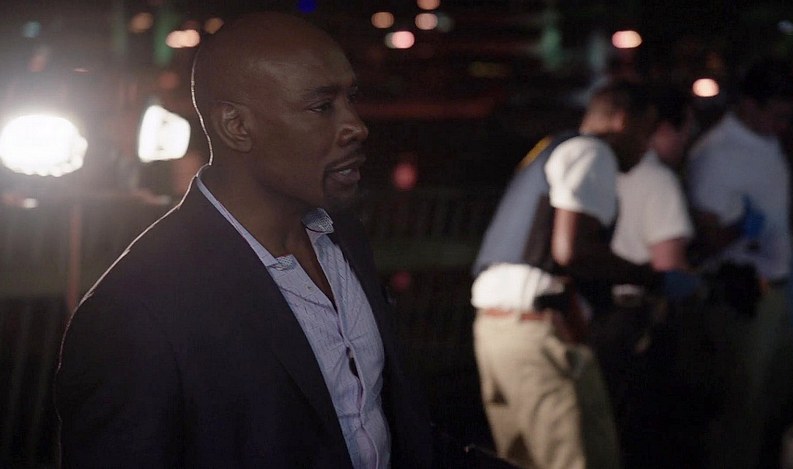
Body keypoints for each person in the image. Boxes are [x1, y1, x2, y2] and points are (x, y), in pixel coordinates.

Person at [54, 12, 434, 468]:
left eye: (350, 99)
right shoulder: (136, 310)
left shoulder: (344, 237)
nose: (356, 126)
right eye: (322, 106)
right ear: (236, 126)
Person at [471, 80, 700, 469]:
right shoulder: (593, 151)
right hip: (536, 333)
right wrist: (653, 278)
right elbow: (571, 250)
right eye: (645, 133)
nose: (646, 147)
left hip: (495, 330)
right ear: (623, 120)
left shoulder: (551, 148)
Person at [687, 57, 793, 469]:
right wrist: (743, 228)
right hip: (742, 296)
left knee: (779, 399)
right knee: (740, 406)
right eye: (777, 115)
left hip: (777, 287)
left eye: (788, 117)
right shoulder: (717, 154)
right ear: (750, 105)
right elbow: (707, 239)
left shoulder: (765, 138)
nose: (783, 126)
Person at [607, 86, 697, 468]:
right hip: (638, 323)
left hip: (596, 314)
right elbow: (668, 265)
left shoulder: (607, 167)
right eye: (685, 133)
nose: (686, 145)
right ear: (663, 129)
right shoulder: (658, 180)